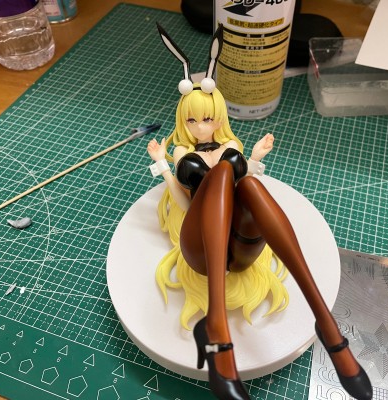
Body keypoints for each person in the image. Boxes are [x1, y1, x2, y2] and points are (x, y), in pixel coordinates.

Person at [147, 24, 373, 400]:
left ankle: (323, 321)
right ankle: (223, 325)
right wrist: (163, 166)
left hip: (241, 245)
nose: (201, 126)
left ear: (219, 116)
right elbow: (184, 204)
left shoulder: (231, 145)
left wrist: (253, 159)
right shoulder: (183, 154)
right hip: (201, 245)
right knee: (225, 173)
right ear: (183, 121)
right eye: (192, 120)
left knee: (249, 185)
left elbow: (245, 189)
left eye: (208, 118)